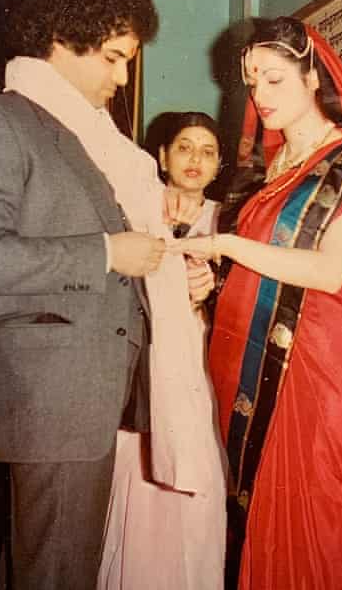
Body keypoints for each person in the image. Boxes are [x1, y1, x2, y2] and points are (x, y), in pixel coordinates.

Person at [0, 0, 219, 590]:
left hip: (108, 392)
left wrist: (172, 281)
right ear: (64, 40)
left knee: (57, 568)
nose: (123, 79)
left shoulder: (96, 138)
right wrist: (103, 252)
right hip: (59, 398)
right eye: (115, 58)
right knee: (56, 572)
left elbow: (127, 257)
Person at [173, 17, 342, 589]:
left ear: (312, 75)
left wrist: (223, 244)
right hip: (264, 372)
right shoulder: (266, 172)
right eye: (251, 81)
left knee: (324, 538)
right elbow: (262, 276)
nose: (259, 95)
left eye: (274, 79)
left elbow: (329, 269)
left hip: (330, 380)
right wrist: (211, 285)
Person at [97, 110, 225, 590]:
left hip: (204, 369)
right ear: (162, 156)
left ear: (219, 164)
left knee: (199, 484)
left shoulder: (228, 220)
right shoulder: (138, 210)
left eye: (208, 150)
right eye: (185, 147)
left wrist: (210, 294)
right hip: (148, 371)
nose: (195, 159)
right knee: (142, 482)